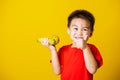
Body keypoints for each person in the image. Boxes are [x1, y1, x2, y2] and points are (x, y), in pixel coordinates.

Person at [40, 9, 103, 80]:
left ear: (90, 33)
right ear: (68, 30)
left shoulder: (91, 48)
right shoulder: (63, 49)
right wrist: (53, 50)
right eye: (76, 28)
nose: (79, 33)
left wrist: (85, 47)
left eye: (85, 29)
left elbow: (92, 70)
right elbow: (57, 72)